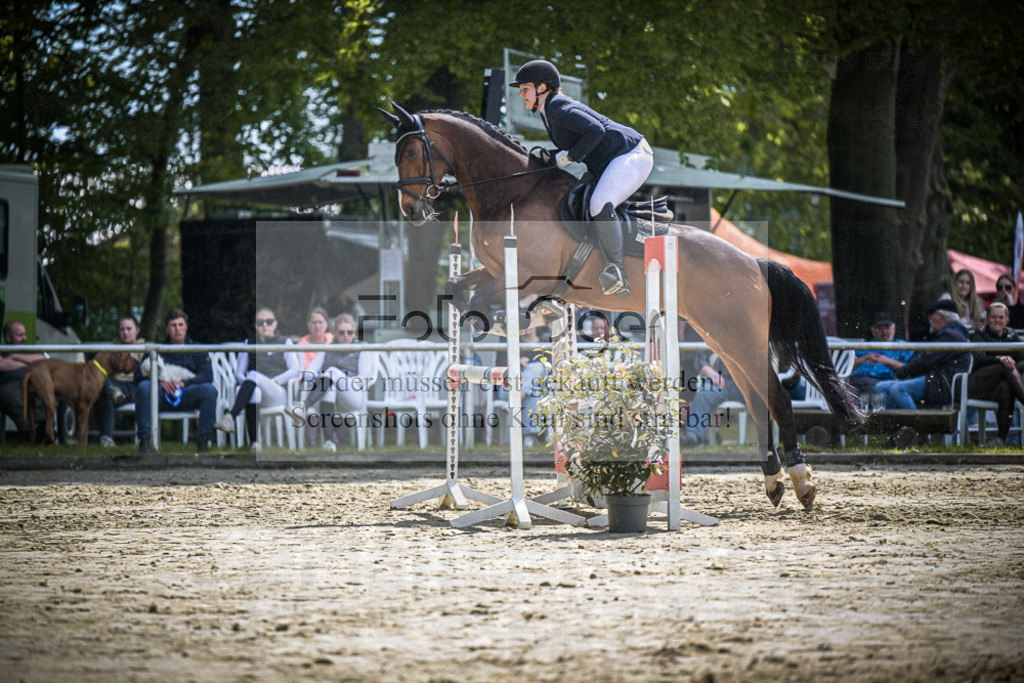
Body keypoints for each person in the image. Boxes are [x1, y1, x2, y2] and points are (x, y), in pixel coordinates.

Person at [510, 59, 654, 298]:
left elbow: (596, 130)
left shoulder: (557, 107)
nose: (521, 94)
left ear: (542, 88)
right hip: (609, 159)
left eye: (525, 89)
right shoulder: (549, 110)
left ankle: (616, 271)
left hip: (631, 154)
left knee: (599, 203)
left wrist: (567, 158)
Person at [134, 308, 218, 454]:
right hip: (160, 394)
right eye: (173, 325)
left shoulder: (198, 349)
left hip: (187, 393)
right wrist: (158, 382)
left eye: (180, 324)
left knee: (209, 391)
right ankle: (145, 442)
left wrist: (184, 384)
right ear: (167, 328)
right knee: (144, 387)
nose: (177, 329)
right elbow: (138, 375)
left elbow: (207, 375)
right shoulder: (155, 349)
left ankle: (203, 442)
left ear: (186, 326)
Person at [214, 307, 298, 451]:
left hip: (277, 392)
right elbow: (239, 374)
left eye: (269, 321)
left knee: (253, 374)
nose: (265, 325)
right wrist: (249, 384)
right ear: (255, 325)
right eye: (260, 322)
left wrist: (275, 380)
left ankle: (230, 417)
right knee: (254, 390)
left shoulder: (285, 342)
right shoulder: (250, 343)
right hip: (256, 389)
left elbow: (294, 371)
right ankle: (255, 443)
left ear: (275, 324)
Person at [873, 300, 971, 410]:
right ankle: (897, 424)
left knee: (898, 389)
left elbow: (926, 360)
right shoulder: (950, 333)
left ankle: (916, 425)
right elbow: (926, 357)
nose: (929, 318)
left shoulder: (951, 335)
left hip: (943, 383)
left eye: (932, 315)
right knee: (880, 387)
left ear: (940, 316)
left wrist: (904, 371)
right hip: (935, 380)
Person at [299, 314, 375, 450]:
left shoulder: (362, 347)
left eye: (349, 332)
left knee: (332, 372)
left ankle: (304, 406)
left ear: (354, 332)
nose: (346, 335)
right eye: (341, 332)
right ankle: (329, 441)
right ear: (334, 333)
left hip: (353, 395)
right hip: (329, 395)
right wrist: (323, 380)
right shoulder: (327, 348)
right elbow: (309, 373)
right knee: (330, 387)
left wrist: (341, 380)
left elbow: (364, 377)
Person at [967, 302, 1024, 445]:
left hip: (1000, 387)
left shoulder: (1013, 336)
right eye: (993, 317)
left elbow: (1023, 360)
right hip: (978, 385)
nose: (997, 320)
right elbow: (979, 358)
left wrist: (1012, 365)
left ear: (1007, 320)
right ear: (986, 319)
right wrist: (1000, 359)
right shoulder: (979, 335)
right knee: (1004, 366)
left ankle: (1000, 439)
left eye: (1000, 317)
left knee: (1006, 387)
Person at [91, 315, 146, 447]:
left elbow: (128, 367)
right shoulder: (114, 345)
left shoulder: (142, 345)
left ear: (137, 330)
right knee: (100, 385)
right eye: (122, 329)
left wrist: (110, 365)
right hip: (112, 383)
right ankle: (106, 440)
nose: (125, 333)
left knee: (103, 387)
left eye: (129, 329)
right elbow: (94, 365)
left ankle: (105, 437)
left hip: (132, 386)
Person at [848, 312, 914, 409]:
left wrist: (886, 360)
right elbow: (846, 368)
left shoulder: (902, 347)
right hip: (855, 381)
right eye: (879, 328)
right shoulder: (864, 346)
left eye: (887, 327)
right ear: (873, 331)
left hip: (880, 382)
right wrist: (864, 359)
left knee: (869, 397)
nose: (883, 331)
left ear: (893, 329)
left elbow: (909, 369)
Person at [682, 348, 745, 446]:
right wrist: (710, 372)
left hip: (745, 384)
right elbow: (700, 360)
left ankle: (767, 440)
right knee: (703, 394)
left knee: (761, 396)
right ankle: (693, 437)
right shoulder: (713, 335)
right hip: (718, 382)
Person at [0, 320, 47, 433]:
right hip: (9, 384)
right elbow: (2, 365)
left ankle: (44, 430)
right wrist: (29, 364)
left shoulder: (29, 350)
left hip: (31, 382)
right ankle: (30, 432)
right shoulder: (2, 350)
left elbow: (43, 359)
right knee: (16, 401)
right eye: (20, 335)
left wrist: (14, 356)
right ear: (8, 337)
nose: (24, 338)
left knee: (45, 399)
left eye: (24, 334)